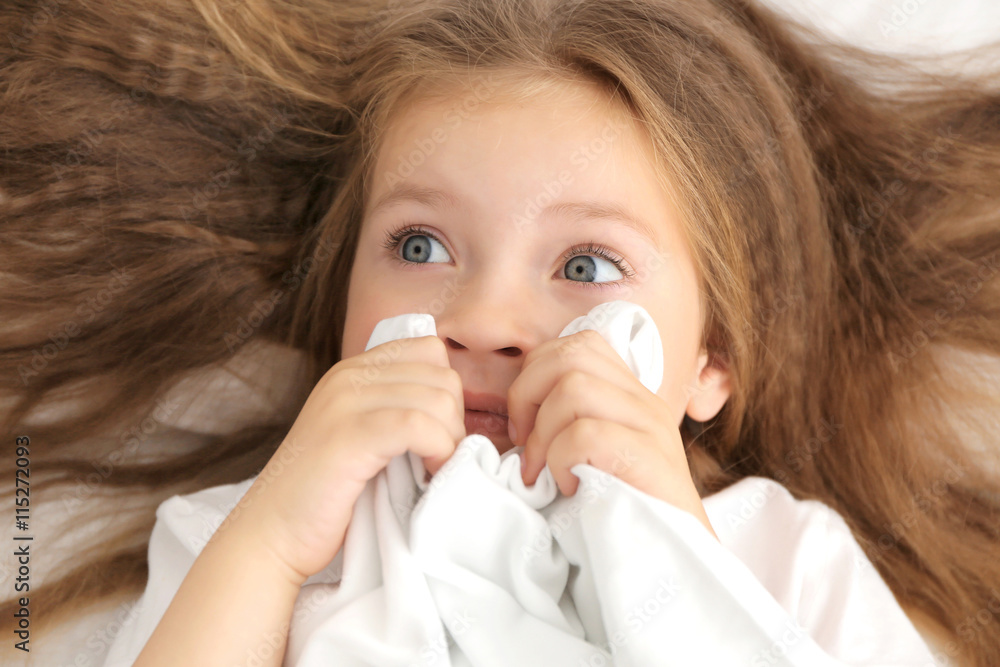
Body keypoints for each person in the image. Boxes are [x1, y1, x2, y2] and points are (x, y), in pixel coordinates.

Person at [1, 0, 998, 665]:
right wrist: (271, 541)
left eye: (585, 268)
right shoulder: (251, 536)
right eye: (421, 243)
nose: (478, 319)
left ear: (712, 363)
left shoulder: (779, 555)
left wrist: (671, 544)